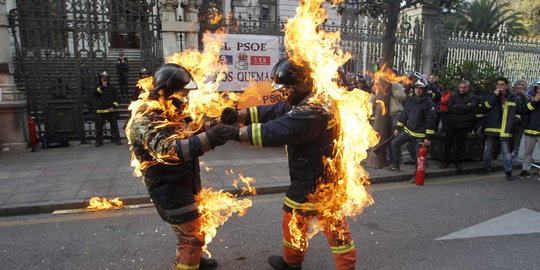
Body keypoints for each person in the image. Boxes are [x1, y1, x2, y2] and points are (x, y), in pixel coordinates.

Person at [220, 58, 356, 270]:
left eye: (287, 89)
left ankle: (295, 264)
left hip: (314, 178)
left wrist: (236, 133)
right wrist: (240, 114)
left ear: (300, 85)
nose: (284, 93)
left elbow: (278, 130)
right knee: (324, 222)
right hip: (320, 173)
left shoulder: (313, 110)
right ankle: (318, 264)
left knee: (307, 220)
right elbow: (277, 110)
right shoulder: (310, 100)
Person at [126, 63, 232, 270]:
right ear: (164, 91)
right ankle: (189, 262)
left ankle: (195, 260)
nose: (183, 96)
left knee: (190, 230)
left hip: (185, 181)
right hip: (168, 187)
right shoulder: (145, 118)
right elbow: (168, 151)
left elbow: (191, 131)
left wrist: (218, 122)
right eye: (180, 91)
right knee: (191, 237)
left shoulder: (171, 108)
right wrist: (210, 139)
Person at [385, 80, 436, 181]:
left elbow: (431, 122)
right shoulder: (411, 100)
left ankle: (418, 174)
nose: (418, 90)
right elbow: (404, 115)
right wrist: (398, 128)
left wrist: (428, 138)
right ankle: (395, 165)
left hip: (420, 134)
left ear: (424, 90)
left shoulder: (429, 103)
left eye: (420, 88)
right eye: (416, 88)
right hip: (409, 131)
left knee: (418, 155)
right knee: (395, 143)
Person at [477, 77, 520, 181]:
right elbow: (484, 107)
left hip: (506, 128)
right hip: (492, 127)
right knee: (489, 150)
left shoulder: (513, 97)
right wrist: (495, 96)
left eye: (502, 84)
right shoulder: (491, 95)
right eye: (498, 85)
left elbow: (519, 112)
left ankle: (508, 172)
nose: (500, 86)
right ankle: (487, 168)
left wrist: (515, 121)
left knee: (506, 151)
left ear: (507, 85)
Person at [440, 80, 477, 171]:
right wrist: (464, 107)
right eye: (461, 87)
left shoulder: (472, 97)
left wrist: (457, 106)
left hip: (464, 125)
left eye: (464, 88)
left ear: (468, 88)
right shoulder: (453, 96)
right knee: (448, 144)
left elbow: (472, 107)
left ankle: (458, 163)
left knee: (460, 145)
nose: (462, 89)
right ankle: (446, 162)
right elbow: (449, 107)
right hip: (451, 123)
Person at [518, 81, 540, 178]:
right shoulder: (531, 99)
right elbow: (524, 110)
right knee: (527, 153)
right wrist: (534, 101)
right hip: (530, 130)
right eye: (537, 88)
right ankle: (525, 170)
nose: (539, 90)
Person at [94, 71, 121, 147]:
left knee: (114, 126)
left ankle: (117, 139)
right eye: (103, 78)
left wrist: (113, 106)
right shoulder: (97, 86)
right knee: (99, 127)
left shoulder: (112, 87)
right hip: (100, 111)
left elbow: (117, 98)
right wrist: (102, 86)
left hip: (111, 110)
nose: (105, 79)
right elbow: (95, 94)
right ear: (100, 79)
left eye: (106, 78)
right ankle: (98, 141)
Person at [511, 79, 529, 157]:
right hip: (511, 120)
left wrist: (524, 96)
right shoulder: (512, 95)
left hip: (522, 121)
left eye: (523, 85)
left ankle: (515, 152)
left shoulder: (527, 97)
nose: (521, 86)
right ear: (515, 86)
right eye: (519, 84)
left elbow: (528, 107)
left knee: (518, 138)